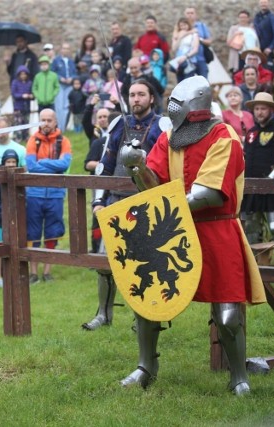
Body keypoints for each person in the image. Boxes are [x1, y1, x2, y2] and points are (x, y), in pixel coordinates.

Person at [117, 75, 266, 395]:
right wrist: (137, 166)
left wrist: (167, 206)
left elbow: (208, 194)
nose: (171, 108)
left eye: (176, 104)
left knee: (227, 314)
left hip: (216, 230)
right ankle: (146, 366)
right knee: (148, 296)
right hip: (172, 229)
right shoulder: (169, 138)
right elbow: (153, 186)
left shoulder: (224, 136)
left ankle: (238, 376)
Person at [83, 80, 166, 331]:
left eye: (141, 94)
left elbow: (165, 168)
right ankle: (104, 314)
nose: (136, 99)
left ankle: (144, 317)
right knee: (106, 262)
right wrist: (99, 200)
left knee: (144, 263)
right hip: (115, 201)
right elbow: (105, 164)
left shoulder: (162, 125)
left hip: (145, 204)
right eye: (132, 95)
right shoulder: (120, 123)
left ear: (151, 98)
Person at [241, 93, 274, 264]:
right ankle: (255, 265)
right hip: (252, 186)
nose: (259, 112)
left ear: (271, 110)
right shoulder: (251, 132)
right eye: (257, 109)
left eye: (263, 108)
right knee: (250, 226)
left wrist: (270, 180)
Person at [25, 109, 72, 285]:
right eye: (42, 120)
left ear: (55, 121)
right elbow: (31, 166)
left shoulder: (63, 141)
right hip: (34, 194)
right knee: (33, 233)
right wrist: (53, 167)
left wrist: (43, 163)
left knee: (52, 232)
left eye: (49, 120)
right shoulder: (32, 140)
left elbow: (65, 164)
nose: (45, 123)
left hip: (55, 194)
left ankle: (47, 271)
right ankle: (33, 272)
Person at [0, 149, 19, 288]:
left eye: (13, 162)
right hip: (0, 220)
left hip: (17, 219)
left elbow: (23, 199)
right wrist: (6, 214)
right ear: (3, 163)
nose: (11, 164)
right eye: (8, 162)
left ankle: (14, 273)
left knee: (15, 247)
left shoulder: (21, 177)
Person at [51, 43, 77, 132]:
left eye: (67, 48)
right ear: (61, 49)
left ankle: (63, 128)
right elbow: (53, 72)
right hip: (60, 85)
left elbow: (74, 73)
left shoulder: (71, 62)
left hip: (69, 86)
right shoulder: (56, 60)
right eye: (64, 48)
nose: (65, 50)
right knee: (59, 107)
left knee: (66, 107)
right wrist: (60, 78)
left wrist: (72, 78)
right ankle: (58, 128)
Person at [254, 0, 274, 73]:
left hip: (266, 52)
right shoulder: (256, 17)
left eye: (265, 2)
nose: (263, 4)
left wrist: (270, 47)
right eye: (262, 2)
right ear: (259, 4)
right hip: (257, 50)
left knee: (267, 73)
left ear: (269, 4)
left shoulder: (272, 17)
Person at [184, 7, 212, 79]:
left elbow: (209, 41)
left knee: (203, 83)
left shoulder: (202, 26)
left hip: (201, 59)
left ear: (196, 15)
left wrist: (199, 40)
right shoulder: (182, 27)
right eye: (188, 13)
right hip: (187, 60)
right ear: (185, 15)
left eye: (192, 13)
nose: (190, 15)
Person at [169, 17, 200, 83]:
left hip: (190, 61)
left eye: (185, 25)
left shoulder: (194, 35)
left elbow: (195, 49)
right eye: (181, 26)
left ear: (188, 25)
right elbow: (174, 49)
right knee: (180, 83)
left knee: (188, 84)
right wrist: (180, 37)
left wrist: (185, 57)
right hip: (179, 62)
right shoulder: (176, 36)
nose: (183, 27)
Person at [10, 65, 34, 142]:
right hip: (18, 107)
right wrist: (22, 96)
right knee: (18, 123)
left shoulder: (30, 83)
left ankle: (26, 137)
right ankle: (17, 138)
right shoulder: (15, 82)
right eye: (21, 74)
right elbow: (14, 94)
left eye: (25, 74)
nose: (23, 76)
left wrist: (31, 96)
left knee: (26, 122)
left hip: (27, 106)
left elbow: (33, 94)